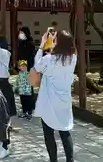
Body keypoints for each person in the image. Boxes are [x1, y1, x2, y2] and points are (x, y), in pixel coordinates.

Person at [33, 28, 77, 162]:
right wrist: (52, 46)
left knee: (49, 133)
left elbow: (37, 66)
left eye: (55, 38)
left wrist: (42, 45)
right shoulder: (73, 58)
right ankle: (70, 160)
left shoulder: (49, 60)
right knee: (65, 132)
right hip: (64, 100)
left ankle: (54, 160)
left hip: (49, 101)